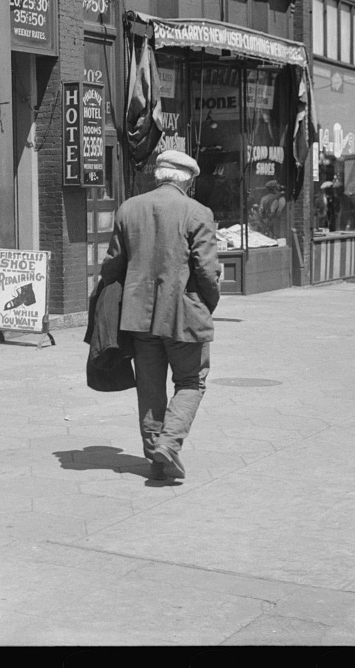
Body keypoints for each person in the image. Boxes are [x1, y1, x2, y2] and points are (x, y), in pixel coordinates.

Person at [99, 150, 221, 480]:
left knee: (150, 388)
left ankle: (156, 455)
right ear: (188, 180)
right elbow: (208, 273)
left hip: (139, 316)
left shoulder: (129, 208)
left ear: (159, 176)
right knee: (191, 381)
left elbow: (112, 264)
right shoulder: (198, 213)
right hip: (184, 314)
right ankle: (169, 444)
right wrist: (208, 305)